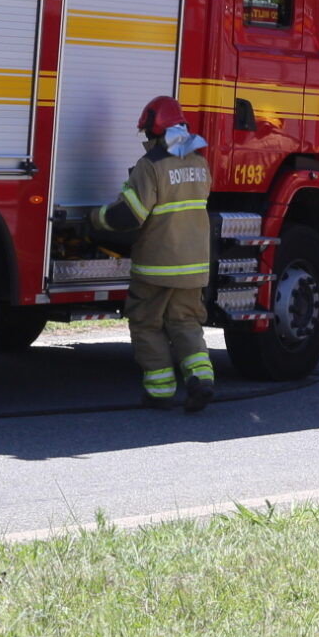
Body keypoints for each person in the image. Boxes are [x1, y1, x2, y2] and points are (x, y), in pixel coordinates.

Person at [101, 95, 217, 412]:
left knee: (146, 324)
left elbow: (130, 215)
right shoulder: (200, 163)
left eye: (147, 133)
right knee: (186, 323)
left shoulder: (150, 165)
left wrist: (96, 219)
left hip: (156, 266)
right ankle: (202, 380)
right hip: (193, 267)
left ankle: (160, 391)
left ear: (156, 130)